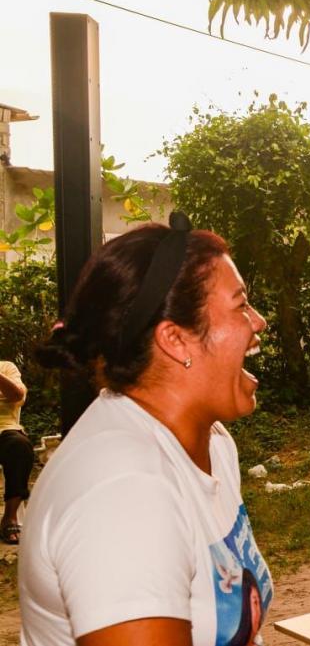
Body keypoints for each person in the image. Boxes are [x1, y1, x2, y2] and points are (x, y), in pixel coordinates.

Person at [20, 213, 274, 645]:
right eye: (240, 305)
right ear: (175, 340)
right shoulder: (122, 491)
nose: (259, 321)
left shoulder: (212, 443)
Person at [0, 360, 33, 545]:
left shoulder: (6, 368)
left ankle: (10, 517)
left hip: (4, 430)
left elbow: (17, 395)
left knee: (20, 446)